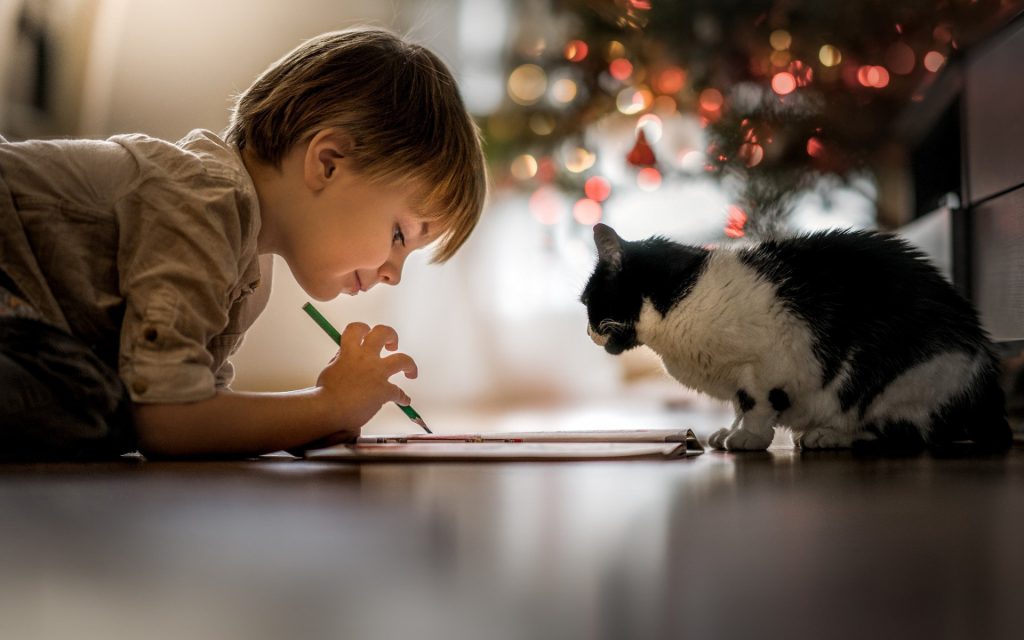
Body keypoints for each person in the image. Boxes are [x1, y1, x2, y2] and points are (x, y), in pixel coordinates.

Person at [0, 28, 487, 460]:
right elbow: (168, 419)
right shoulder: (201, 205)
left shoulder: (249, 273)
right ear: (328, 163)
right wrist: (326, 406)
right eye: (399, 235)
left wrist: (315, 418)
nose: (392, 273)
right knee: (98, 406)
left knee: (100, 404)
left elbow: (197, 407)